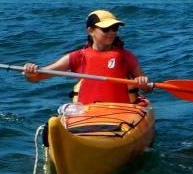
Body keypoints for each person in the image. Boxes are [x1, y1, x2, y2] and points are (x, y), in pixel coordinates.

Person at [23, 9, 151, 104]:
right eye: (106, 29)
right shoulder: (78, 57)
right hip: (88, 112)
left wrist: (143, 83)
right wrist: (30, 73)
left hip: (121, 112)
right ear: (91, 31)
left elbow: (147, 88)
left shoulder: (126, 56)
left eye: (115, 28)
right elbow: (38, 77)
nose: (112, 32)